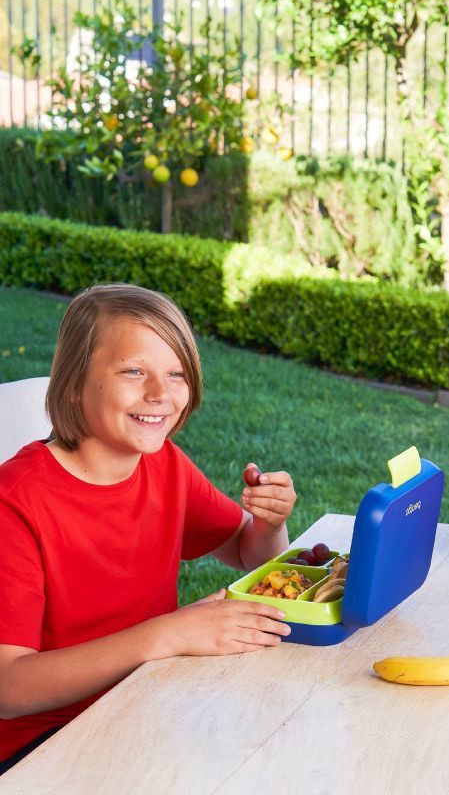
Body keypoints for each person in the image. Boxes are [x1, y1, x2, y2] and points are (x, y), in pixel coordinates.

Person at [0, 284, 297, 772]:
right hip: (41, 745)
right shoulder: (16, 503)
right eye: (134, 371)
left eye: (176, 373)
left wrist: (269, 524)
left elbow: (250, 557)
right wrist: (165, 635)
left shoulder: (165, 467)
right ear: (74, 381)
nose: (161, 393)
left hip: (146, 702)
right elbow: (8, 689)